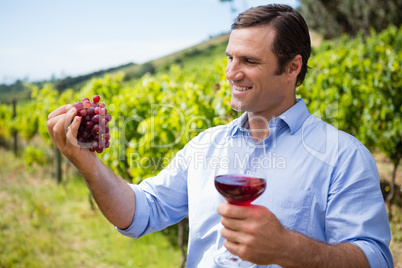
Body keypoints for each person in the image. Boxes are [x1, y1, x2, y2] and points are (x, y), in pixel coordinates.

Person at [47, 4, 393, 268]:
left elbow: (376, 257)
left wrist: (289, 248)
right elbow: (141, 213)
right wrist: (88, 166)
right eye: (229, 57)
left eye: (248, 60)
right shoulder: (205, 146)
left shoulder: (342, 155)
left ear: (292, 67)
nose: (230, 72)